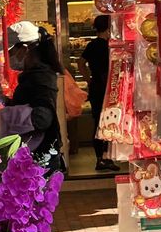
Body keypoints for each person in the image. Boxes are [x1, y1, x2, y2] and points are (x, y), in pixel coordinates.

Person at [6, 20, 65, 175]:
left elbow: (42, 118)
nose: (9, 57)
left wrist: (6, 115)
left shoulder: (41, 77)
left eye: (10, 52)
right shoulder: (35, 75)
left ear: (24, 49)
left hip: (39, 155)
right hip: (36, 152)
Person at [78, 15, 119, 172]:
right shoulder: (111, 46)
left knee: (97, 122)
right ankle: (107, 157)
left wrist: (89, 79)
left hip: (97, 87)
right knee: (110, 122)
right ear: (109, 27)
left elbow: (81, 63)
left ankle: (99, 159)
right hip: (110, 87)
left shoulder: (92, 45)